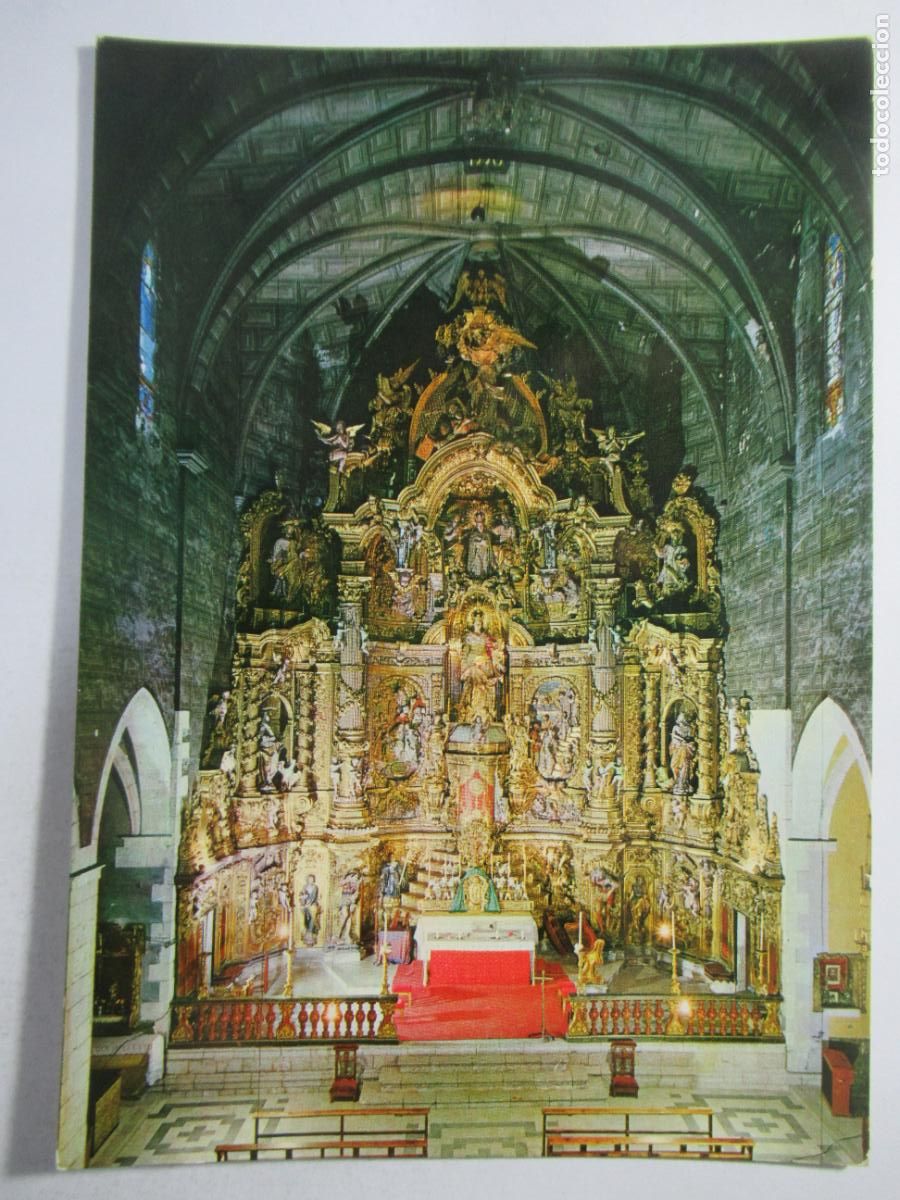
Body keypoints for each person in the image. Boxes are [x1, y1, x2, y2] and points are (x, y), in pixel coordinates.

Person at [465, 510, 495, 579]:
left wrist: (485, 544)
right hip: (477, 553)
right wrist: (479, 542)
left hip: (485, 552)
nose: (480, 526)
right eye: (478, 524)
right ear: (476, 524)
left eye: (481, 524)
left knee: (485, 564)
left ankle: (484, 576)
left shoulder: (487, 534)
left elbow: (489, 545)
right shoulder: (473, 534)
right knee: (478, 565)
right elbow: (472, 544)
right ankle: (476, 577)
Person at [299, 874, 319, 941]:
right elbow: (302, 894)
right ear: (308, 879)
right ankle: (306, 929)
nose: (311, 880)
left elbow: (313, 897)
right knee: (304, 915)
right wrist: (303, 901)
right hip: (305, 904)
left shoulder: (315, 887)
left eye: (312, 879)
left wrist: (309, 903)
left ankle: (310, 932)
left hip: (312, 904)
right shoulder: (305, 886)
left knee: (312, 915)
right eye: (310, 879)